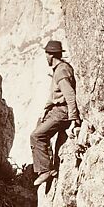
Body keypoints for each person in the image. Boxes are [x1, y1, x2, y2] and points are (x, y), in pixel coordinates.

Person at [30, 40, 81, 187]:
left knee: (36, 136)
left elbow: (70, 96)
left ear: (51, 55)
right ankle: (47, 166)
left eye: (46, 53)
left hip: (62, 112)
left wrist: (74, 120)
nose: (45, 57)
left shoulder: (61, 71)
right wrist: (45, 109)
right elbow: (55, 95)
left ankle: (45, 170)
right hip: (56, 109)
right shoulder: (60, 69)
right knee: (39, 126)